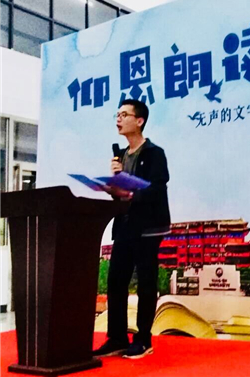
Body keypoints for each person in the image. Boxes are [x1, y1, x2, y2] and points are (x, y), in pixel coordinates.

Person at [93, 99, 171, 359]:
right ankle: (117, 338)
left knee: (146, 283)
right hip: (125, 226)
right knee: (116, 281)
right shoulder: (122, 156)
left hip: (148, 227)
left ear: (139, 121)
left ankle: (143, 339)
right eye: (117, 115)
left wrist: (130, 193)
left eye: (124, 114)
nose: (119, 119)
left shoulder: (154, 153)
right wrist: (113, 184)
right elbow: (121, 195)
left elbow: (157, 188)